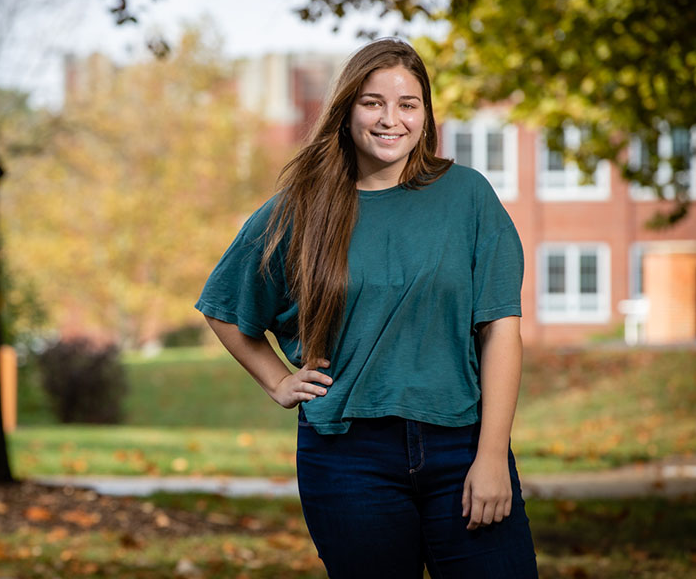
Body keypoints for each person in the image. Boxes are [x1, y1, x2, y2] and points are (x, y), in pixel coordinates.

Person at [195, 37, 538, 578]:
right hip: (347, 459)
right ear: (347, 109)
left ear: (425, 114)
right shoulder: (301, 208)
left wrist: (493, 456)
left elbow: (501, 330)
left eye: (408, 104)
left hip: (461, 445)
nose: (390, 119)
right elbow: (223, 305)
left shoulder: (467, 196)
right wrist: (277, 382)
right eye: (373, 102)